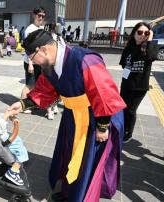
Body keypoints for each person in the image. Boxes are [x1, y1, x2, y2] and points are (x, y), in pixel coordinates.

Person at [8, 29, 126, 201]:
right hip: (73, 116)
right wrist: (22, 104)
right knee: (70, 154)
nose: (35, 64)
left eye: (33, 59)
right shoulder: (50, 66)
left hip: (97, 117)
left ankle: (80, 197)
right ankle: (70, 193)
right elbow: (45, 92)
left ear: (43, 50)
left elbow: (104, 94)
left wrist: (102, 126)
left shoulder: (84, 59)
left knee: (87, 161)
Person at [119, 22, 158, 142]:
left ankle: (128, 132)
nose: (142, 35)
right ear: (134, 33)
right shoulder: (129, 47)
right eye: (140, 32)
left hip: (139, 87)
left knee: (131, 110)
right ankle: (122, 128)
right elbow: (123, 63)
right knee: (122, 108)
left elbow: (151, 57)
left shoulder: (150, 47)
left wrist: (150, 39)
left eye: (146, 33)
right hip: (126, 83)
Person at [0, 109, 29, 186]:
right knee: (21, 152)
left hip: (2, 136)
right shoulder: (1, 120)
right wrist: (11, 116)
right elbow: (1, 126)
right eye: (17, 111)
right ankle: (12, 172)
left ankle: (12, 159)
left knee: (18, 143)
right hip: (4, 139)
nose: (18, 112)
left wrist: (10, 115)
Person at [20, 7, 45, 114]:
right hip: (31, 62)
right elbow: (28, 48)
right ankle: (23, 106)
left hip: (39, 62)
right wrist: (30, 64)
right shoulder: (29, 30)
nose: (41, 18)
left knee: (37, 85)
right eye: (39, 15)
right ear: (34, 15)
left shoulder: (41, 28)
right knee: (29, 85)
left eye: (43, 16)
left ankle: (33, 103)